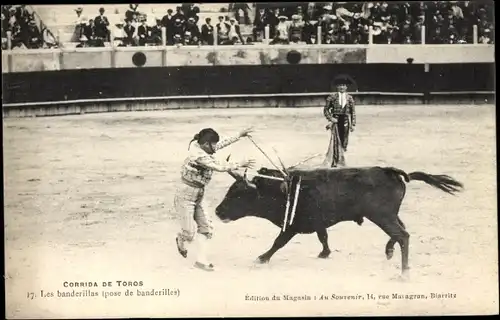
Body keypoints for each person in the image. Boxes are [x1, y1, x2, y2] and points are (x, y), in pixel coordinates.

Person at [175, 127, 255, 271]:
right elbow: (218, 167)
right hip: (185, 195)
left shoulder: (201, 145)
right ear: (206, 144)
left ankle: (201, 261)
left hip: (199, 193)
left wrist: (238, 135)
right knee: (189, 233)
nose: (216, 148)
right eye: (213, 145)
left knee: (206, 229)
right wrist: (239, 164)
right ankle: (181, 239)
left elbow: (219, 144)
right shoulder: (198, 156)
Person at [322, 76, 356, 167]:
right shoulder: (332, 97)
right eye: (340, 85)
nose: (342, 87)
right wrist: (331, 118)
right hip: (336, 120)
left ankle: (341, 158)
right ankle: (335, 160)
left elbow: (353, 112)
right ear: (337, 87)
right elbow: (325, 110)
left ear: (346, 87)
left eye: (343, 85)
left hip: (345, 120)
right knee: (335, 140)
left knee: (344, 139)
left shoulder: (349, 98)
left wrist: (353, 124)